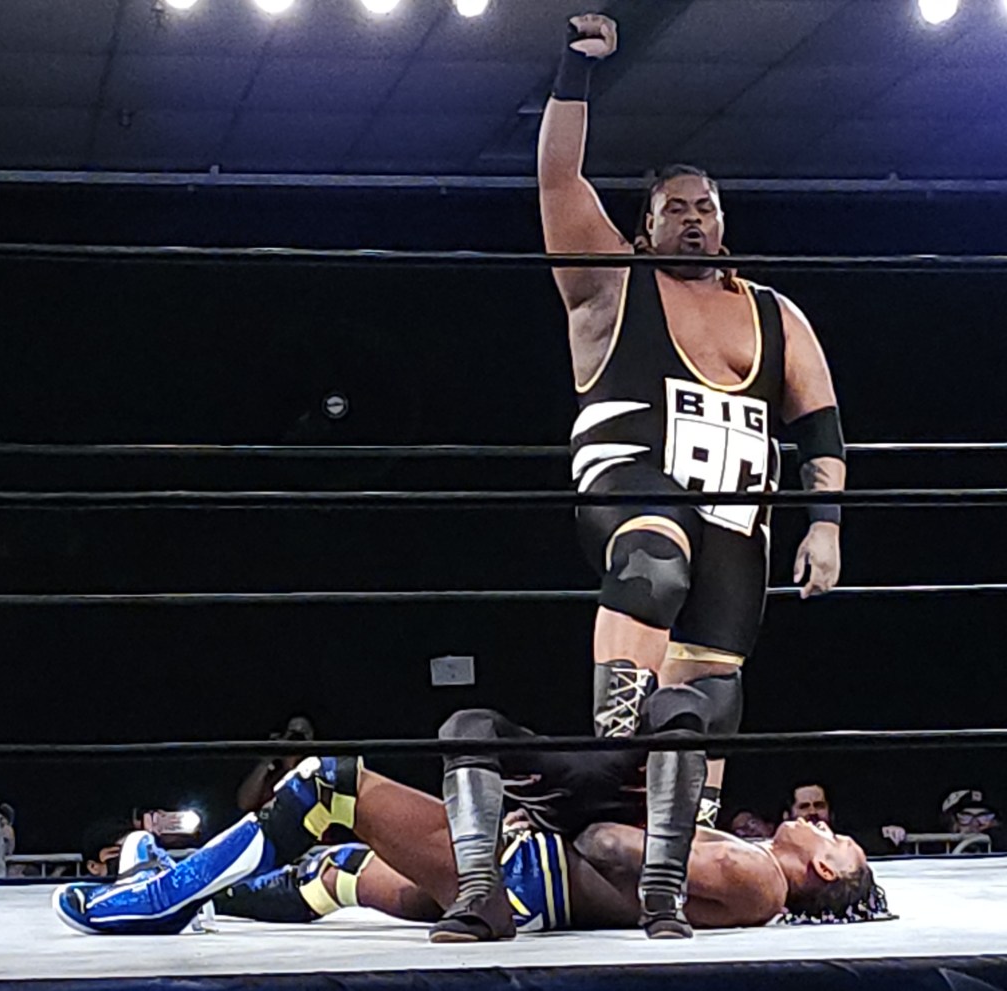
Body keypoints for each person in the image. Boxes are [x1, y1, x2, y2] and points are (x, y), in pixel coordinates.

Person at [534, 10, 847, 938]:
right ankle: (610, 751)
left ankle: (672, 857)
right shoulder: (610, 283)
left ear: (723, 219)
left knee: (712, 691)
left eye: (704, 205)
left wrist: (825, 524)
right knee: (653, 557)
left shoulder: (776, 314)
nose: (692, 218)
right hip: (633, 482)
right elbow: (558, 180)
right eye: (674, 206)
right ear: (645, 224)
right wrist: (575, 72)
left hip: (739, 526)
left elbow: (821, 425)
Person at [52, 752, 878, 937]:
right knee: (337, 872)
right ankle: (177, 876)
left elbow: (610, 844)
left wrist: (554, 804)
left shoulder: (758, 875)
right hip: (529, 886)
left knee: (326, 784)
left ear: (827, 866)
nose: (825, 826)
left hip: (524, 871)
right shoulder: (753, 873)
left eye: (837, 838)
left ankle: (158, 902)